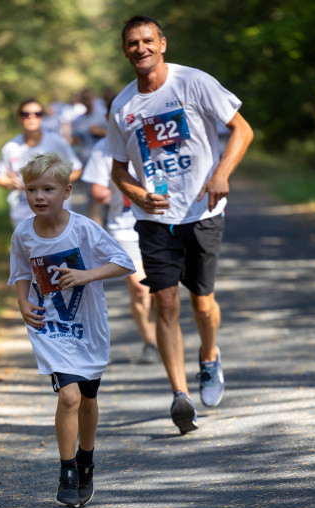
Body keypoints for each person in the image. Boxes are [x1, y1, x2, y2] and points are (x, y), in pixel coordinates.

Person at [108, 15, 254, 434]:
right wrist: (136, 194)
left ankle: (209, 357)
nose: (141, 48)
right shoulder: (123, 107)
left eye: (148, 40)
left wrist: (221, 174)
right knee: (164, 302)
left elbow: (242, 131)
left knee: (201, 302)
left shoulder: (193, 83)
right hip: (154, 219)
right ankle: (180, 394)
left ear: (163, 44)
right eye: (132, 43)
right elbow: (119, 171)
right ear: (125, 51)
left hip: (202, 211)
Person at [8, 153, 135, 507]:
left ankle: (86, 460)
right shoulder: (24, 233)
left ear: (66, 191)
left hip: (87, 324)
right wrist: (22, 302)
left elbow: (123, 263)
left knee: (88, 398)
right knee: (69, 396)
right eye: (32, 189)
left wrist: (87, 274)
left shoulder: (83, 228)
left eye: (48, 189)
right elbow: (20, 273)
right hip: (49, 325)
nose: (39, 197)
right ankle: (66, 470)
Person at [82, 134, 159, 364]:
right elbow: (96, 191)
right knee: (139, 287)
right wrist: (104, 192)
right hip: (123, 227)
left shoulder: (155, 133)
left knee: (160, 289)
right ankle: (150, 343)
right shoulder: (103, 148)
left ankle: (163, 330)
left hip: (162, 223)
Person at [0, 99, 83, 228]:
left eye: (37, 114)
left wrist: (56, 184)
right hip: (22, 214)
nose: (31, 118)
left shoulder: (56, 142)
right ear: (20, 117)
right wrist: (10, 182)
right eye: (26, 114)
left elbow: (77, 169)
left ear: (42, 117)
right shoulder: (11, 147)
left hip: (56, 214)